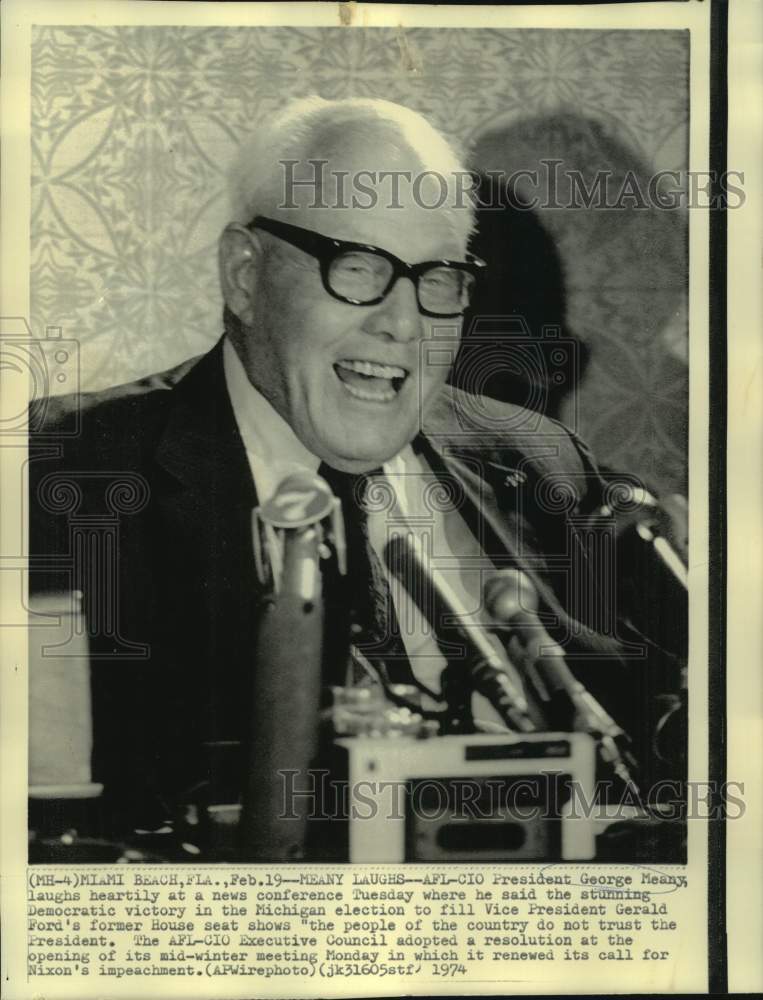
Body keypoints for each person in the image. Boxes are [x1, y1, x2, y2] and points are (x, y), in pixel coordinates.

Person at [28, 97, 685, 858]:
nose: (403, 324)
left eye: (438, 279)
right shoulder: (66, 473)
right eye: (358, 268)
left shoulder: (541, 463)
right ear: (244, 275)